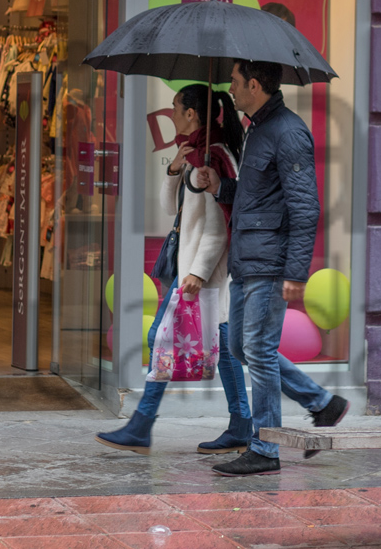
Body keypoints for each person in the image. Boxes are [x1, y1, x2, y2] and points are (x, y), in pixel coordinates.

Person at [194, 59, 348, 476]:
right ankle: (322, 403)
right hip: (247, 260)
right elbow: (257, 195)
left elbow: (305, 208)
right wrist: (220, 186)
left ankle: (265, 448)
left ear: (254, 85)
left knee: (258, 350)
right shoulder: (257, 128)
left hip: (270, 263)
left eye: (235, 81)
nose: (230, 88)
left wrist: (295, 272)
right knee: (240, 347)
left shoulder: (289, 132)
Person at [95, 86, 252, 455]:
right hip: (193, 270)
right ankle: (242, 423)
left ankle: (142, 425)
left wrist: (198, 272)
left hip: (203, 274)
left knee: (162, 338)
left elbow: (219, 225)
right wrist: (174, 169)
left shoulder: (214, 157)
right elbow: (169, 207)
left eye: (176, 107)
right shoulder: (193, 154)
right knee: (223, 345)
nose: (173, 113)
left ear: (192, 114)